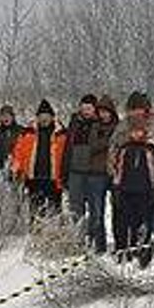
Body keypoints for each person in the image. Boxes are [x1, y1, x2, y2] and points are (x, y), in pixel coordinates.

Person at [64, 94, 116, 253]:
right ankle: (79, 241)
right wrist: (64, 171)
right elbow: (67, 148)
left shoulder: (99, 124)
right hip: (75, 171)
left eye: (89, 108)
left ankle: (96, 242)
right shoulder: (74, 123)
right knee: (76, 208)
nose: (86, 111)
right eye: (83, 107)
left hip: (95, 172)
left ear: (95, 109)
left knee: (96, 210)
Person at [110, 121, 154, 267]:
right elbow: (117, 168)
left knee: (143, 223)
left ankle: (142, 252)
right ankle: (122, 250)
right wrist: (116, 187)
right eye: (133, 132)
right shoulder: (124, 149)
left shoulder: (151, 148)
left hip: (145, 191)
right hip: (125, 190)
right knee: (122, 222)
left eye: (139, 131)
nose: (136, 134)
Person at [10, 99, 67, 216]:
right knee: (35, 210)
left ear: (52, 117)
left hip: (54, 179)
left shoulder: (62, 134)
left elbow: (67, 155)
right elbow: (18, 153)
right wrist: (15, 168)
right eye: (41, 116)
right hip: (34, 178)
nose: (44, 119)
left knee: (55, 210)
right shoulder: (27, 133)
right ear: (37, 117)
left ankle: (54, 232)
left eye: (46, 116)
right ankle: (35, 232)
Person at [0, 104, 22, 174]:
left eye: (8, 115)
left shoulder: (21, 131)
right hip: (0, 169)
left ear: (13, 117)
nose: (6, 118)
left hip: (16, 168)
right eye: (3, 116)